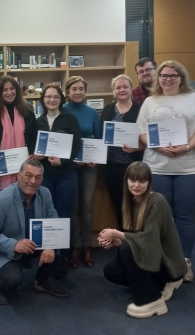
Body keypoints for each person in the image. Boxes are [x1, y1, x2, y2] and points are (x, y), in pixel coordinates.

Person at [137, 60, 195, 282]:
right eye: (164, 75)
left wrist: (186, 147)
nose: (168, 79)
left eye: (173, 75)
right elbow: (141, 131)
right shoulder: (150, 101)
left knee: (185, 216)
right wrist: (157, 146)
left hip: (190, 168)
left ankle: (184, 261)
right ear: (158, 78)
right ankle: (165, 260)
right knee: (162, 216)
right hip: (157, 166)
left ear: (181, 78)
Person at [99, 162, 187, 319]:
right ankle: (156, 286)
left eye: (142, 180)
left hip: (166, 263)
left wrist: (116, 233)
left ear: (149, 182)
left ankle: (152, 300)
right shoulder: (131, 202)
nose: (136, 185)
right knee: (111, 271)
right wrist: (117, 241)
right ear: (126, 181)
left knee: (128, 249)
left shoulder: (157, 201)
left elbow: (149, 240)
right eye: (133, 180)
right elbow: (135, 238)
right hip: (152, 259)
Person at [0, 159, 70, 305]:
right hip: (7, 248)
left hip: (33, 243)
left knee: (61, 243)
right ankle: (0, 287)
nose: (33, 181)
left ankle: (42, 282)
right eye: (28, 176)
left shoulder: (45, 193)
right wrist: (14, 244)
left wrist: (51, 246)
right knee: (13, 280)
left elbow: (54, 221)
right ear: (18, 176)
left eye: (38, 177)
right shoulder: (0, 200)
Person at [34, 83, 82, 276]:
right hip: (45, 175)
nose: (52, 100)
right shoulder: (38, 121)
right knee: (46, 214)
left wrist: (63, 161)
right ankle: (48, 256)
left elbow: (76, 145)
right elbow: (33, 145)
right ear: (42, 100)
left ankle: (63, 257)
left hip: (66, 175)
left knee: (64, 215)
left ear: (61, 99)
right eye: (48, 97)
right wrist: (37, 155)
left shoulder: (70, 118)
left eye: (55, 96)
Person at [63, 76, 100, 269]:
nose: (77, 92)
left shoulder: (92, 112)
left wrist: (96, 157)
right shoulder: (62, 111)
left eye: (81, 89)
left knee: (86, 207)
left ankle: (87, 246)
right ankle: (75, 246)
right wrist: (71, 159)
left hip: (89, 166)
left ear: (85, 91)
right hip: (68, 165)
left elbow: (98, 138)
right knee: (72, 206)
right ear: (67, 92)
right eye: (74, 89)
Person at [0, 76, 37, 198]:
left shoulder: (28, 110)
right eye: (5, 90)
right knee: (2, 202)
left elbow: (34, 135)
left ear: (17, 90)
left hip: (25, 166)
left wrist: (33, 153)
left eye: (12, 88)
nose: (9, 92)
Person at [100, 74, 143, 226]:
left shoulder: (141, 110)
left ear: (131, 89)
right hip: (111, 165)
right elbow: (101, 135)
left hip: (133, 165)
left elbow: (148, 137)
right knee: (117, 202)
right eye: (118, 87)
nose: (122, 90)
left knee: (135, 203)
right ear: (113, 91)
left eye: (125, 87)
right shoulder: (107, 110)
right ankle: (123, 236)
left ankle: (136, 236)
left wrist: (138, 147)